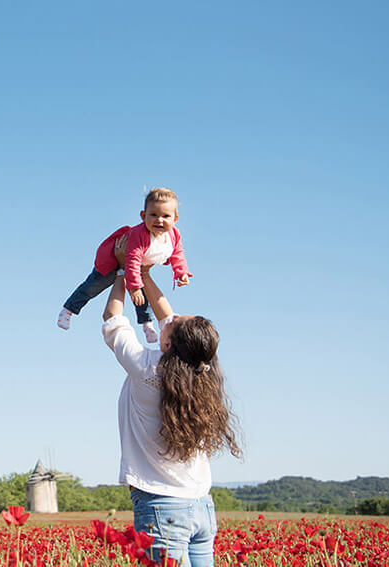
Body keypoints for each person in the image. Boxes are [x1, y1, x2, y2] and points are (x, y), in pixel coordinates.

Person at [102, 238, 241, 567]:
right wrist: (143, 275)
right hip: (201, 506)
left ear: (167, 343)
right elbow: (171, 321)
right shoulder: (204, 374)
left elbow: (112, 318)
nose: (171, 317)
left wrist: (124, 272)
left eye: (173, 323)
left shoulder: (146, 368)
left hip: (161, 506)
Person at [58, 188, 191, 342]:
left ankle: (147, 323)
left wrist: (181, 273)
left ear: (175, 218)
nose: (159, 220)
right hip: (114, 260)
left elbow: (177, 254)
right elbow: (132, 258)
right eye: (153, 215)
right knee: (93, 286)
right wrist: (133, 287)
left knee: (142, 295)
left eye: (166, 216)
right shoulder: (139, 234)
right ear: (143, 216)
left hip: (138, 268)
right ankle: (69, 309)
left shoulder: (174, 235)